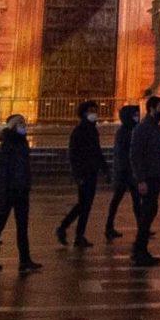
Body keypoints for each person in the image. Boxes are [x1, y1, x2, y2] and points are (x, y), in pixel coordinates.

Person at [0, 112, 41, 270]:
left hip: (21, 190)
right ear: (14, 126)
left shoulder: (22, 143)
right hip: (8, 191)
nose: (24, 125)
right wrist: (0, 193)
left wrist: (27, 185)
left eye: (24, 123)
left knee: (22, 227)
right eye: (20, 123)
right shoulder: (6, 144)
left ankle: (25, 260)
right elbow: (0, 171)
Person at [128, 95, 160, 267]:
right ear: (151, 108)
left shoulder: (156, 128)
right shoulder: (142, 128)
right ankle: (140, 251)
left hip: (155, 175)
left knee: (150, 212)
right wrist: (141, 179)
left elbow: (157, 154)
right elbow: (135, 155)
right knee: (146, 214)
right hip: (147, 178)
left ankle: (139, 249)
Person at [57, 100, 103, 248]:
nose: (94, 113)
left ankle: (74, 233)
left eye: (95, 110)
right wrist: (77, 175)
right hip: (84, 173)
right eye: (91, 110)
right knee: (84, 205)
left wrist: (105, 168)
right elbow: (73, 154)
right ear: (84, 113)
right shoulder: (80, 130)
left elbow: (97, 151)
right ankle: (67, 230)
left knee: (84, 205)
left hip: (91, 171)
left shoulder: (92, 129)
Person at [104, 103, 138, 239]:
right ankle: (109, 227)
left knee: (135, 200)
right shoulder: (125, 132)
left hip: (128, 171)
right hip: (125, 172)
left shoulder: (130, 130)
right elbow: (124, 153)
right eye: (134, 115)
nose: (137, 117)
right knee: (118, 200)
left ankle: (142, 226)